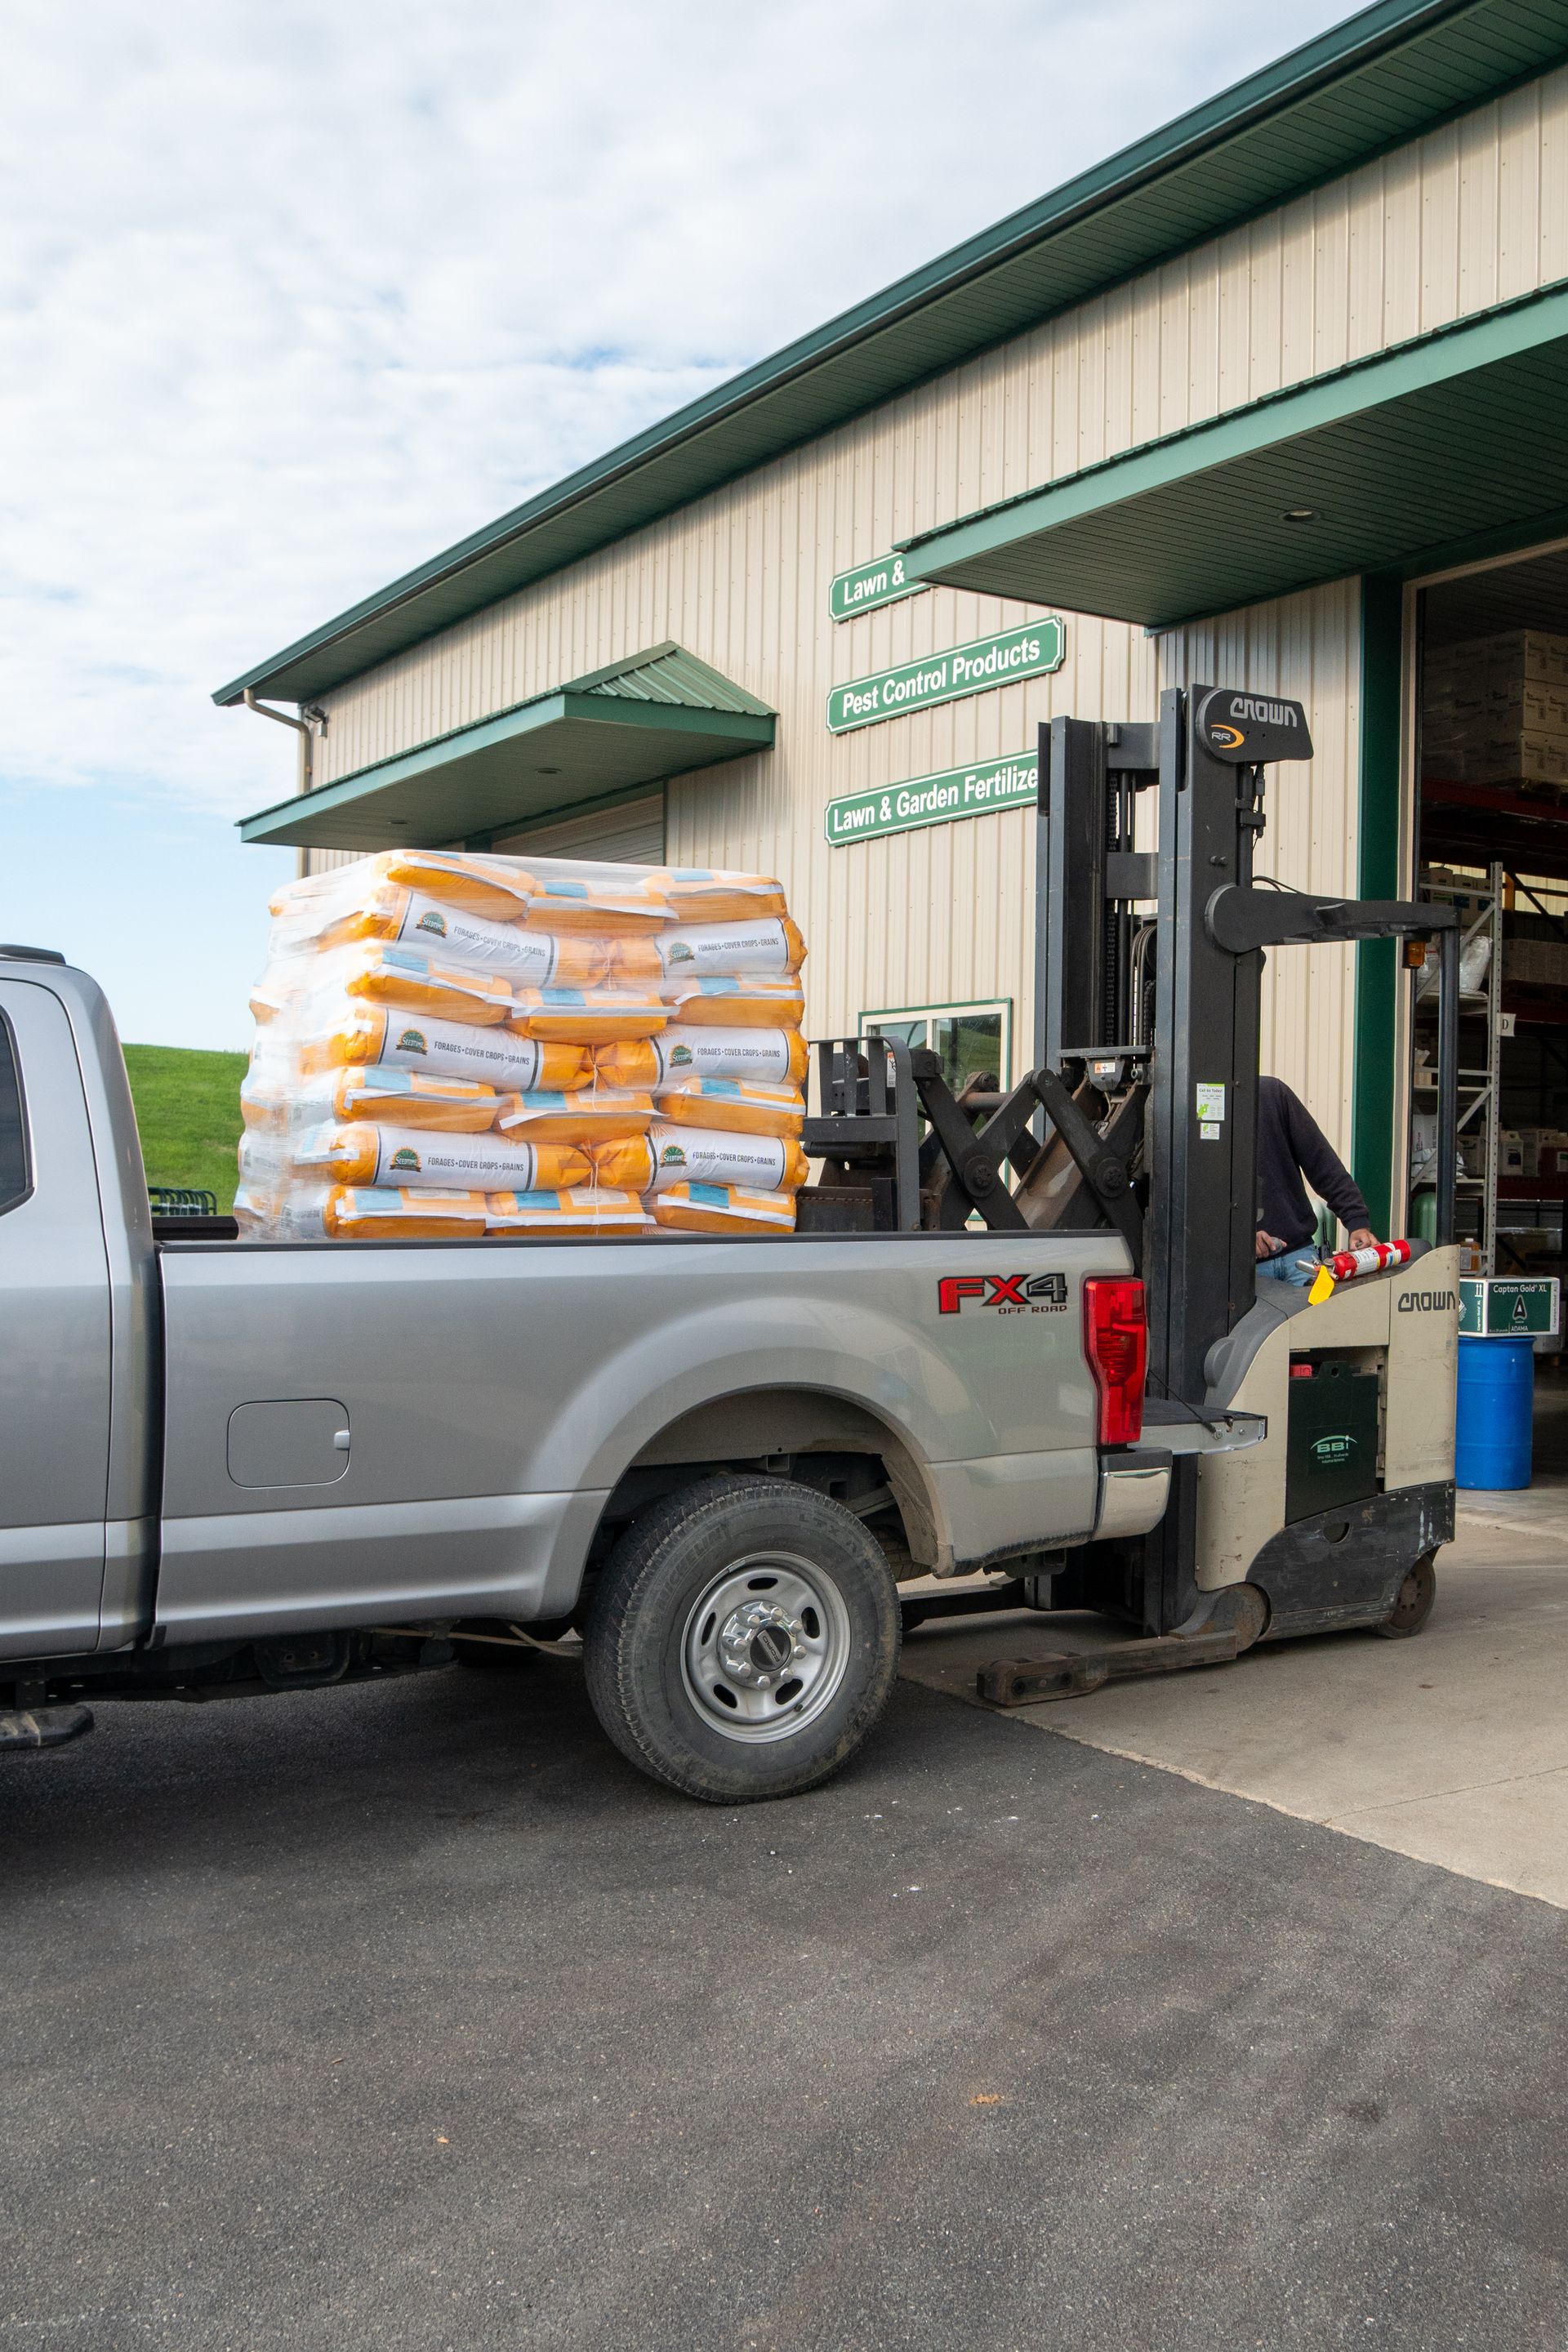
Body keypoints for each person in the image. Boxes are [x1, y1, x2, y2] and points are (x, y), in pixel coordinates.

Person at [1254, 1076, 1377, 1286]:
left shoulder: (1271, 1094)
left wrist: (1357, 1222)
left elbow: (1322, 1163)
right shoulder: (1198, 1107)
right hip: (1243, 1272)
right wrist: (1238, 1236)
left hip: (1301, 1259)